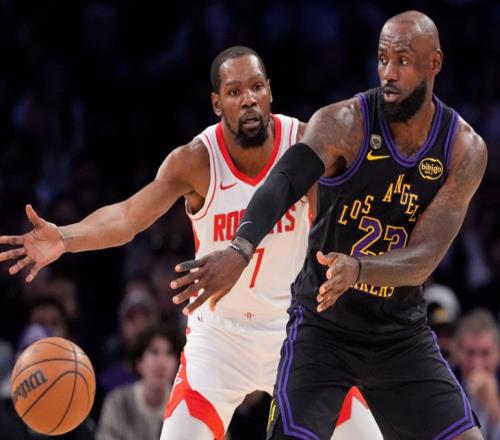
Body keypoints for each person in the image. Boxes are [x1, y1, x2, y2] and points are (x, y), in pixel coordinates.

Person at [169, 11, 488, 440]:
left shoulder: (463, 148)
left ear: (435, 63)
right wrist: (239, 249)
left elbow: (425, 257)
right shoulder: (344, 122)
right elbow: (283, 181)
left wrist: (358, 270)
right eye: (382, 59)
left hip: (400, 334)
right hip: (322, 331)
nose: (389, 73)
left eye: (403, 60)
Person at [0, 46, 313, 439]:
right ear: (217, 103)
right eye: (234, 91)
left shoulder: (305, 144)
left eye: (256, 87)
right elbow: (128, 217)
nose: (248, 99)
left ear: (269, 91)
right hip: (220, 340)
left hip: (297, 329)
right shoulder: (196, 160)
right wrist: (66, 237)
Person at [96, 326, 180, 440]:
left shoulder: (182, 406)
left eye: (169, 353)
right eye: (154, 352)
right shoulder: (118, 401)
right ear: (139, 362)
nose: (162, 361)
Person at [454, 309, 500, 440]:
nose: (477, 363)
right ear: (457, 352)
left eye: (485, 353)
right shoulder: (444, 383)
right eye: (470, 353)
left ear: (498, 353)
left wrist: (493, 405)